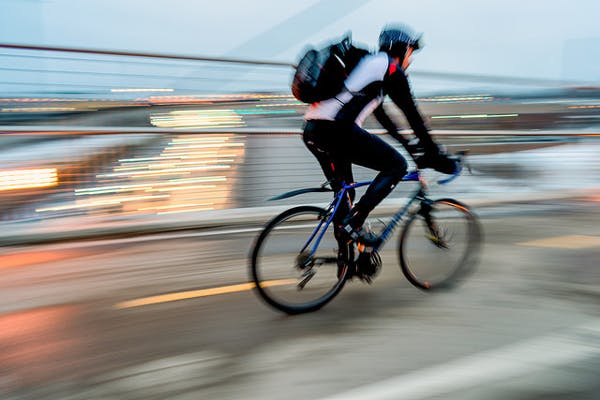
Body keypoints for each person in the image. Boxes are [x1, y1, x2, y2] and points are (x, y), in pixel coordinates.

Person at [302, 24, 457, 246]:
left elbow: (386, 120)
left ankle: (347, 260)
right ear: (401, 49)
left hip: (312, 129)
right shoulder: (390, 68)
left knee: (345, 196)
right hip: (335, 131)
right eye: (410, 53)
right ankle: (354, 224)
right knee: (396, 166)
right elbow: (412, 115)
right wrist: (434, 154)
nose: (410, 60)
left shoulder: (371, 68)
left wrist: (410, 144)